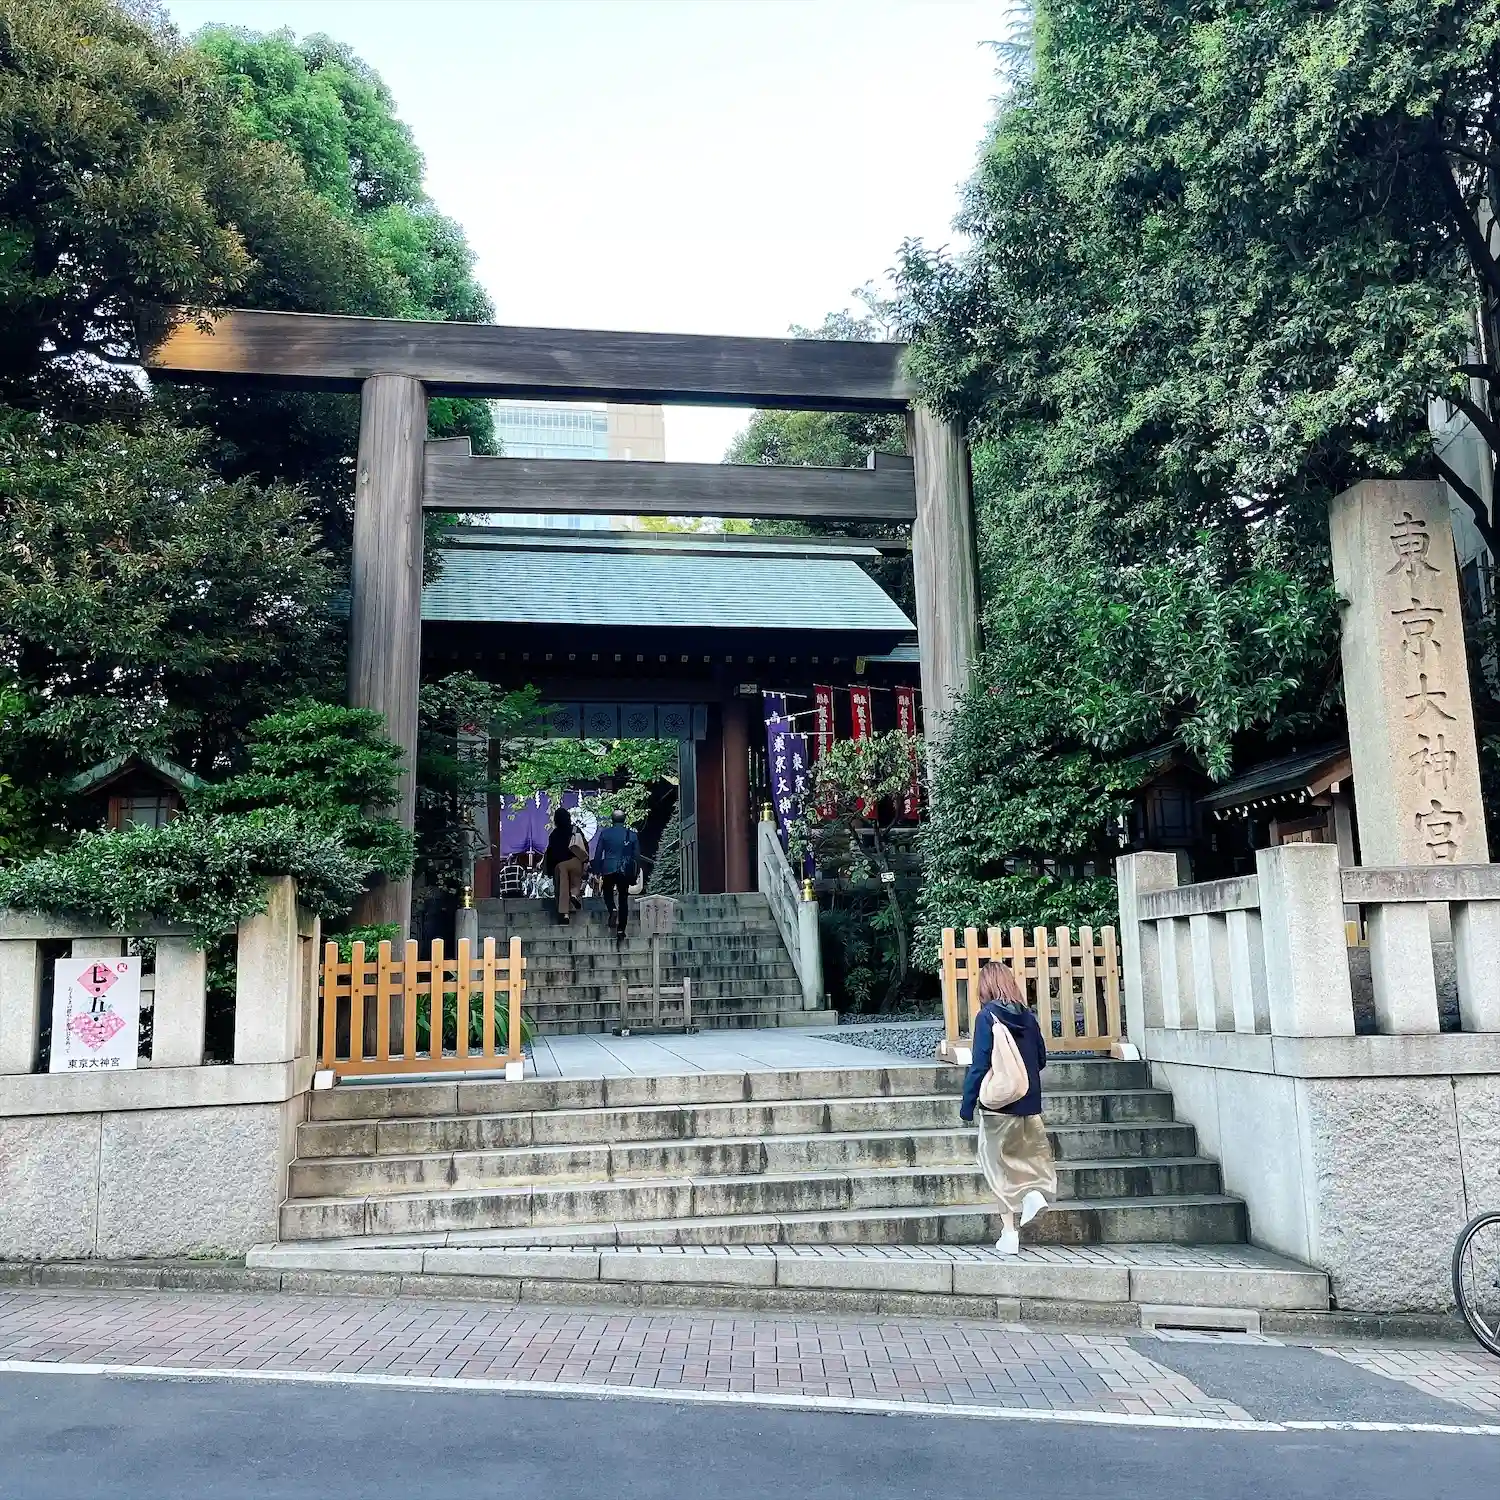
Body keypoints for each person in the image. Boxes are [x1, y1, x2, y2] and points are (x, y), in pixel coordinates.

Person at [959, 960, 1057, 1255]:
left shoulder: (986, 1017)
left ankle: (1009, 1233)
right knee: (1024, 1160)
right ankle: (1032, 1196)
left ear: (985, 986)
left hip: (999, 1107)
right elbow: (1041, 1058)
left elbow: (979, 1065)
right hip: (1029, 1104)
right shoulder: (1027, 1016)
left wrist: (967, 1104)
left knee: (997, 1167)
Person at [592, 807, 640, 940]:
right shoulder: (632, 835)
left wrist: (596, 870)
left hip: (609, 868)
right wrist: (635, 873)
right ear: (624, 820)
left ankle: (612, 908)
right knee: (623, 898)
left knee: (607, 891)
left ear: (612, 820)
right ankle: (621, 930)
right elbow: (636, 856)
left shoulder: (605, 833)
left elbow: (598, 853)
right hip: (624, 870)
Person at [543, 807, 588, 924]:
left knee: (562, 888)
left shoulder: (554, 835)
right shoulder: (576, 830)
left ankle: (564, 914)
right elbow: (584, 846)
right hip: (576, 861)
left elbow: (551, 853)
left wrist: (550, 870)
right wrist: (585, 862)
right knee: (575, 882)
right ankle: (574, 895)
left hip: (561, 865)